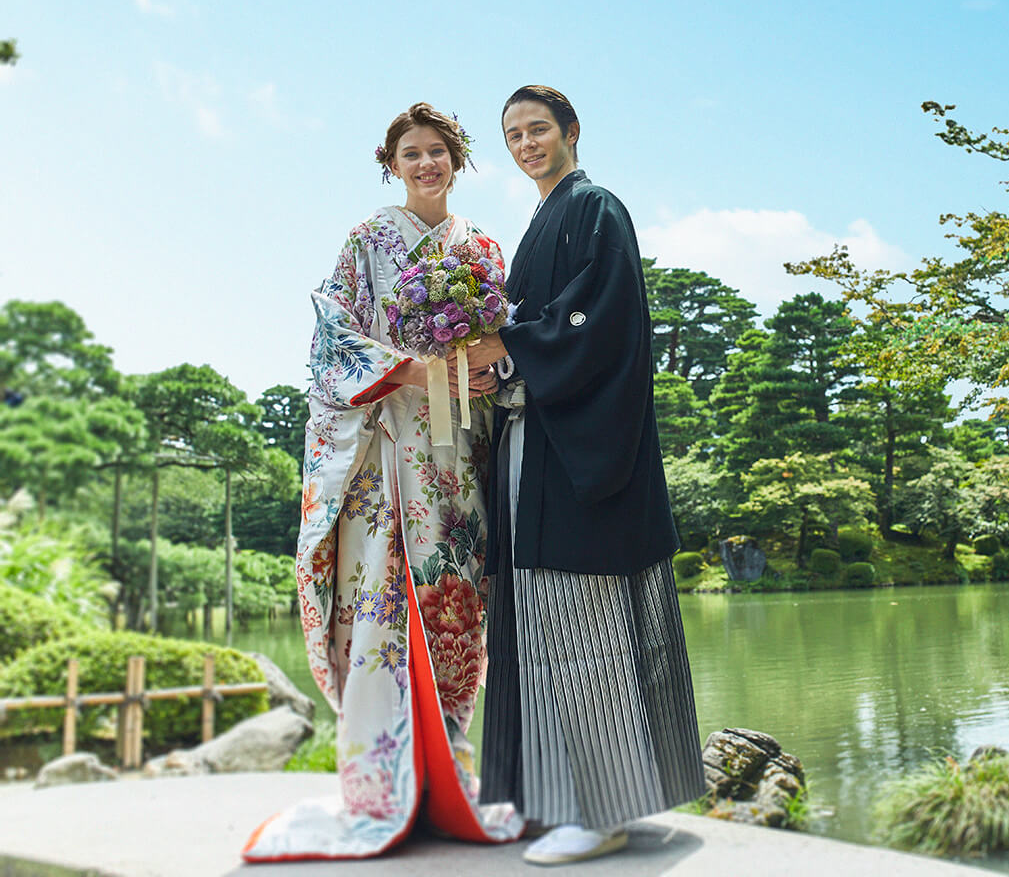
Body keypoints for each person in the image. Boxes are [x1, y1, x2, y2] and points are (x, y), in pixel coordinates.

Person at [242, 103, 522, 862]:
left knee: (455, 602)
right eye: (411, 154)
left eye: (437, 151)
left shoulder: (482, 246)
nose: (426, 164)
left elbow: (507, 341)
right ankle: (377, 786)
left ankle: (453, 777)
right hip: (381, 445)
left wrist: (489, 369)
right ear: (391, 165)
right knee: (378, 603)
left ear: (457, 159)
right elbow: (331, 335)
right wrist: (409, 369)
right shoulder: (368, 239)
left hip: (457, 452)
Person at [467, 86, 702, 866]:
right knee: (542, 628)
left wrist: (508, 349)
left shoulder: (595, 209)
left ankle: (603, 811)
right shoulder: (543, 220)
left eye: (538, 129)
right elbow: (531, 330)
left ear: (571, 131)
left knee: (585, 631)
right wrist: (495, 363)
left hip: (578, 456)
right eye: (513, 135)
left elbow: (597, 323)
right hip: (535, 446)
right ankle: (561, 798)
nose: (526, 144)